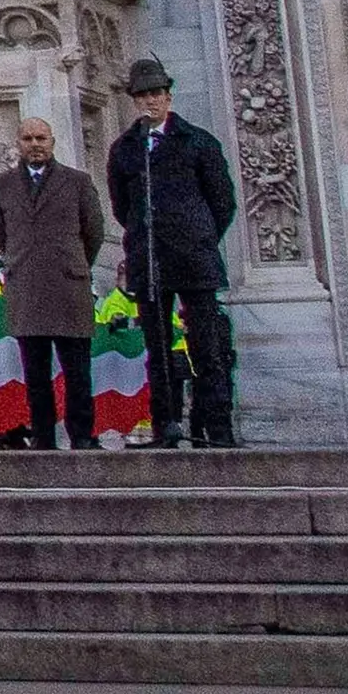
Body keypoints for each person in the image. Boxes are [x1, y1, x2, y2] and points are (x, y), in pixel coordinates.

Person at [108, 56, 241, 447]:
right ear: (134, 100)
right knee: (157, 347)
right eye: (143, 95)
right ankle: (165, 422)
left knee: (207, 345)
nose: (150, 101)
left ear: (168, 97)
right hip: (149, 257)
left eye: (156, 94)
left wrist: (198, 234)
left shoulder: (197, 141)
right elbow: (121, 205)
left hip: (193, 257)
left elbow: (222, 201)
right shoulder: (126, 148)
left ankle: (216, 425)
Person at [0, 117, 111, 453]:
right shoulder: (2, 185)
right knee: (36, 372)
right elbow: (0, 234)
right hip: (27, 287)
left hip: (68, 285)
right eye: (27, 138)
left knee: (77, 370)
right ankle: (43, 436)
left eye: (41, 137)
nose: (35, 144)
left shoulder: (77, 182)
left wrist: (73, 264)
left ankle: (82, 435)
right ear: (19, 143)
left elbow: (94, 232)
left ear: (53, 141)